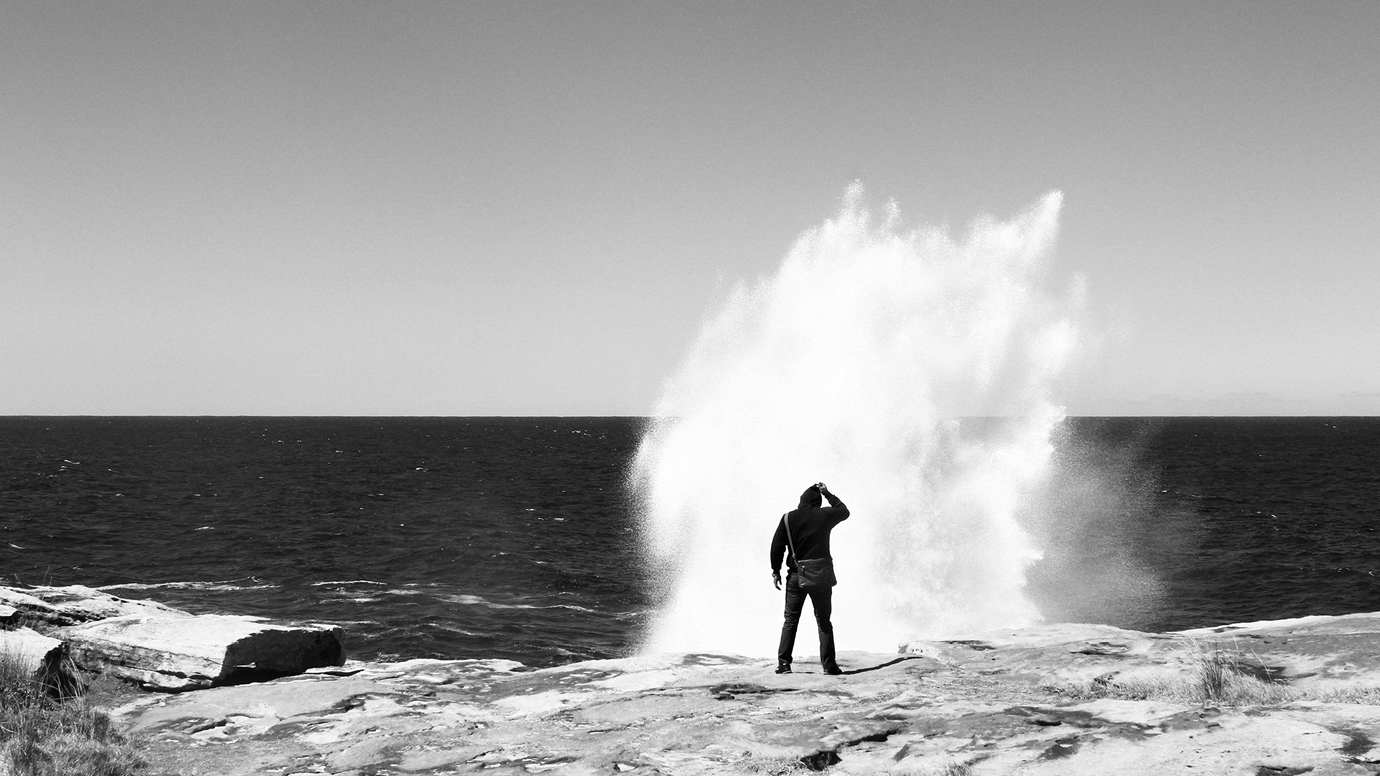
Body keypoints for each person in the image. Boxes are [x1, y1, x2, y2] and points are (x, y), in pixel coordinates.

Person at [769, 482, 849, 675]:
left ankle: (784, 664)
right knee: (824, 621)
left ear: (801, 501)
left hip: (796, 576)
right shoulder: (824, 516)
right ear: (818, 502)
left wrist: (776, 571)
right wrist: (828, 493)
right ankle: (829, 666)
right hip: (820, 576)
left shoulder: (788, 519)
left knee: (790, 620)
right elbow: (844, 511)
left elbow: (776, 547)